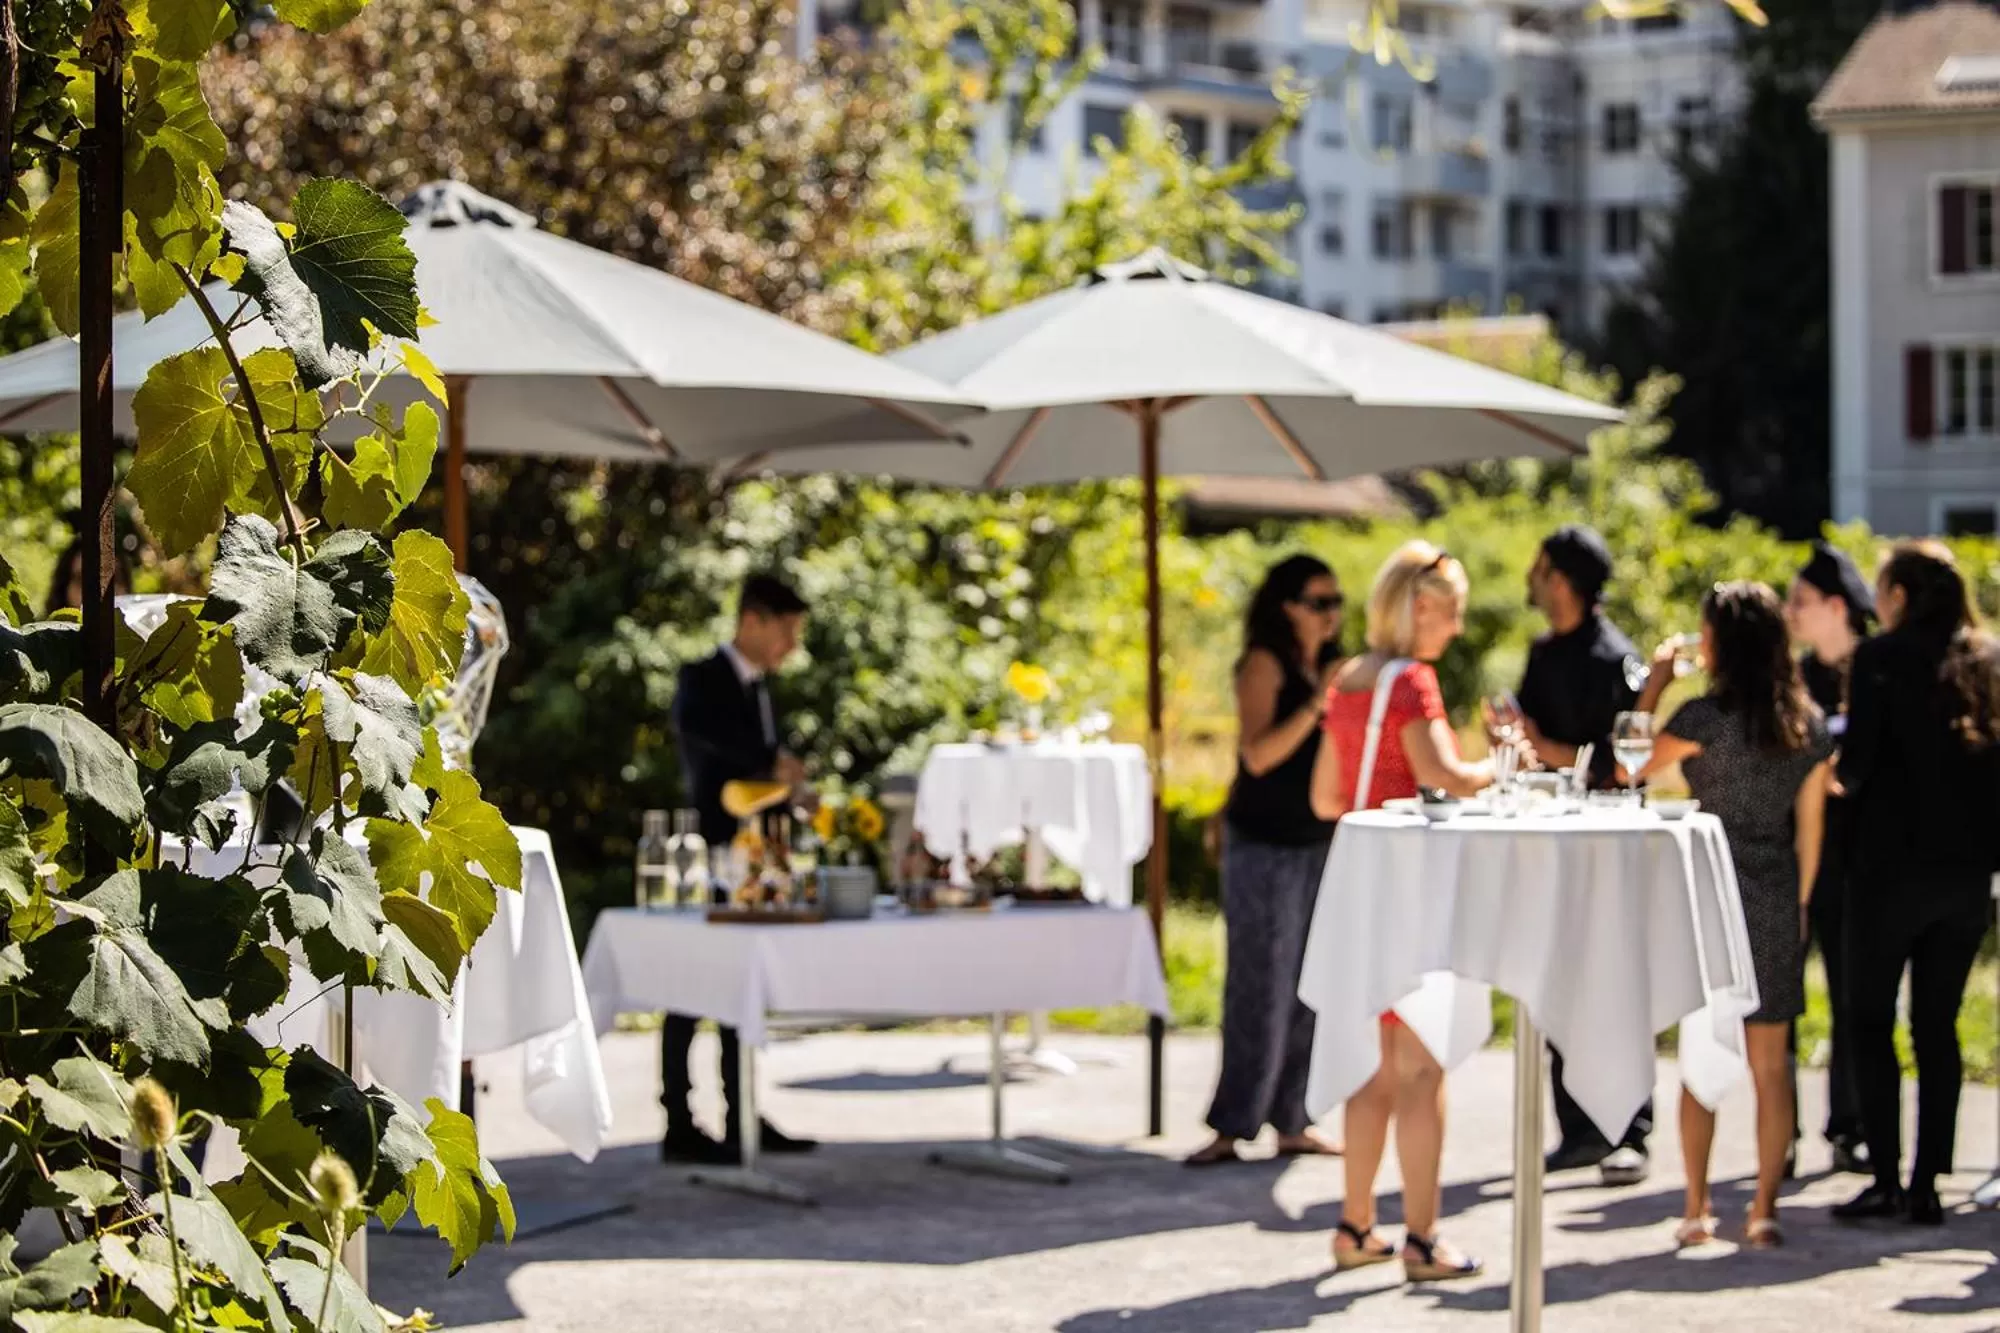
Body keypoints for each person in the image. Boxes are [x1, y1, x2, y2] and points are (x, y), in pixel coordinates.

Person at [1308, 541, 1504, 1284]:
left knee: (1373, 1071)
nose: (1455, 627)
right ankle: (1422, 1238)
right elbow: (1444, 778)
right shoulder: (1412, 682)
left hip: (1358, 886)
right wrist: (1504, 763)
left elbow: (1326, 798)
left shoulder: (1347, 678)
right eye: (1451, 610)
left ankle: (1357, 1225)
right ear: (1420, 606)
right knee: (1422, 1069)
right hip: (1415, 889)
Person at [1638, 582, 1832, 1250]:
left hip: (1706, 899)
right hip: (1775, 895)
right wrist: (1802, 908)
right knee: (1771, 1066)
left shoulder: (1700, 719)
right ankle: (1765, 1208)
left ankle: (1695, 1206)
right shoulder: (1803, 724)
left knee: (1702, 1055)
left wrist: (1655, 684)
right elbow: (1811, 833)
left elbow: (1629, 767)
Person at [1832, 543, 2000, 1227]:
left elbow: (1858, 765)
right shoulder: (1988, 661)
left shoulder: (1880, 661)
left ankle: (1886, 1176)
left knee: (1871, 1020)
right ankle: (1929, 1180)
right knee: (1938, 1026)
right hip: (1965, 876)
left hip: (1888, 873)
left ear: (1899, 593)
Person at [1186, 556, 1348, 1168]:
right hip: (1263, 842)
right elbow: (1257, 755)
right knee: (1260, 983)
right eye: (1319, 602)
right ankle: (1232, 1125)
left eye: (1337, 602)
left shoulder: (1329, 665)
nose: (1332, 614)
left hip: (1318, 838)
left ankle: (1293, 1118)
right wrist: (1318, 703)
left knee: (1311, 985)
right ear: (1288, 606)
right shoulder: (1264, 663)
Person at [662, 572, 819, 1165]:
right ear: (751, 620)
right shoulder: (700, 678)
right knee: (688, 986)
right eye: (786, 631)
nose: (792, 647)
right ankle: (679, 1121)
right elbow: (703, 737)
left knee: (742, 988)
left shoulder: (760, 688)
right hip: (708, 850)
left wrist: (793, 799)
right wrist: (773, 765)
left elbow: (763, 778)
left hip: (757, 855)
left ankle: (741, 1115)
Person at [1517, 525, 1652, 1187]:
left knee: (1615, 983)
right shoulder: (1543, 654)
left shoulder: (1614, 657)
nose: (1531, 577)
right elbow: (1535, 745)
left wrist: (1540, 745)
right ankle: (1577, 1130)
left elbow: (1623, 764)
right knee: (1557, 983)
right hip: (1555, 846)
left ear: (1562, 580)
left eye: (1540, 567)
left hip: (1609, 849)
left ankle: (1629, 1130)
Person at [1783, 542, 1876, 1177]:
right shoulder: (1793, 681)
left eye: (1802, 602)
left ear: (1836, 607)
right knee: (1783, 1001)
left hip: (1861, 863)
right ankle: (1777, 1130)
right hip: (1794, 860)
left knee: (1854, 998)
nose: (1791, 613)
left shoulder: (1877, 669)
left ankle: (1850, 1125)